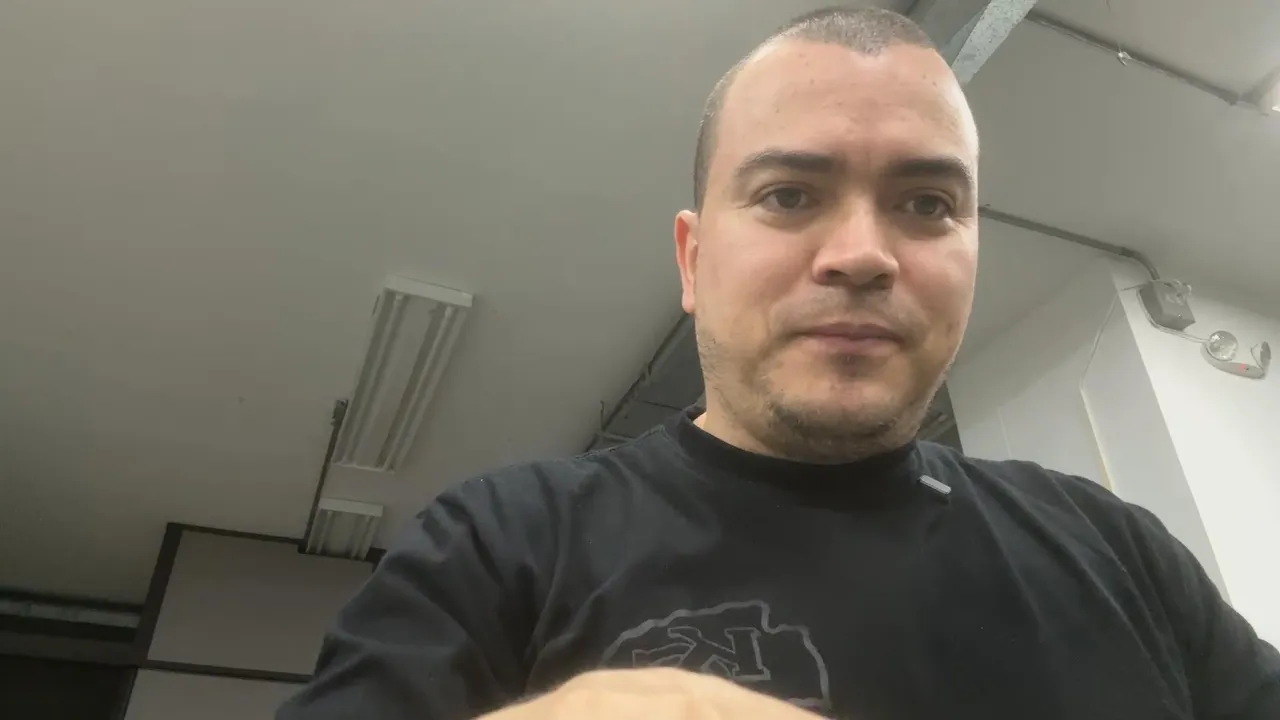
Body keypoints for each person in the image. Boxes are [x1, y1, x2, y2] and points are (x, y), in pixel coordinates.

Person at [279, 6, 1280, 719]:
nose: (862, 254)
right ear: (691, 259)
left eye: (928, 204)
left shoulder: (1115, 551)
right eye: (788, 196)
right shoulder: (499, 544)